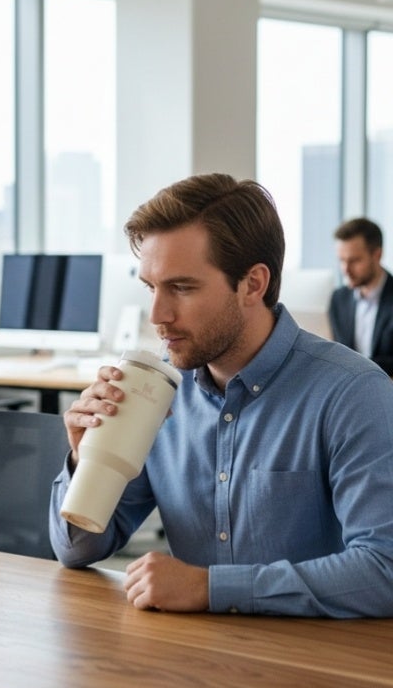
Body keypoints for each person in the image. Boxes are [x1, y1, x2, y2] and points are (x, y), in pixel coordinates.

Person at [49, 173, 393, 618]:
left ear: (253, 284)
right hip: (189, 665)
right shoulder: (155, 393)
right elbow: (76, 551)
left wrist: (212, 588)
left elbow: (384, 569)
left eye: (182, 287)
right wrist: (86, 465)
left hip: (314, 670)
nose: (158, 315)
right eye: (151, 288)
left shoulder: (353, 394)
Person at [328, 217, 393, 375]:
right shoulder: (338, 300)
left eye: (354, 260)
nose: (345, 270)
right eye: (342, 260)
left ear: (377, 255)